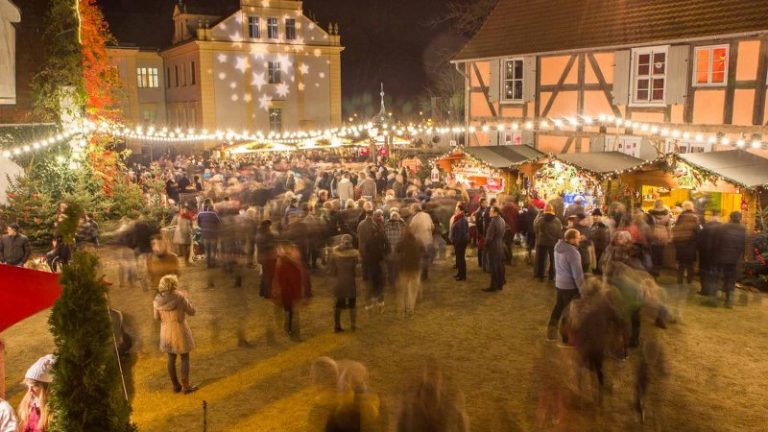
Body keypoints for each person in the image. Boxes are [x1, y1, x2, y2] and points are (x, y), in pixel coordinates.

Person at [153, 275, 198, 394]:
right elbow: (192, 311)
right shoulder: (180, 298)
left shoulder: (157, 300)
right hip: (180, 330)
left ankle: (176, 385)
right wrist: (187, 298)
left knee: (171, 358)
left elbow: (156, 317)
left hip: (166, 331)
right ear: (174, 285)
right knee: (184, 357)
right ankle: (186, 386)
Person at [547, 228, 584, 340]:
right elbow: (577, 274)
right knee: (569, 311)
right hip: (570, 286)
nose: (579, 240)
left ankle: (551, 332)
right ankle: (565, 336)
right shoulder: (573, 253)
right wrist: (582, 288)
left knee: (558, 307)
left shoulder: (558, 247)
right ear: (572, 239)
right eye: (578, 238)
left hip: (559, 283)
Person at [270, 244, 308, 340]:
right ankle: (293, 333)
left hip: (291, 292)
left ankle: (290, 330)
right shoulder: (284, 264)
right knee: (292, 313)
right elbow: (281, 281)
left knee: (291, 312)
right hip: (289, 293)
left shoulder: (289, 264)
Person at [715, 211, 747, 308]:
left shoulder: (723, 227)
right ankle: (729, 300)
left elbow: (717, 242)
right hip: (735, 258)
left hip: (722, 256)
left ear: (730, 217)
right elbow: (744, 244)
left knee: (719, 276)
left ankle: (714, 299)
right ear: (740, 218)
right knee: (731, 278)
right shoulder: (743, 229)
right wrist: (743, 256)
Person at [328, 235, 359, 332]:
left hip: (339, 282)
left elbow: (332, 271)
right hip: (350, 282)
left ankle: (337, 326)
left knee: (338, 304)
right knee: (352, 304)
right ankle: (353, 325)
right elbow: (356, 271)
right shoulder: (354, 255)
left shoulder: (335, 254)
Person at [18, 354, 55, 432]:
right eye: (28, 386)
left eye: (34, 386)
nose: (30, 390)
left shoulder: (55, 411)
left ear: (47, 388)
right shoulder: (30, 405)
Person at [672, 201, 700, 288]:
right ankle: (689, 281)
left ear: (684, 207)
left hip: (681, 244)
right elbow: (698, 231)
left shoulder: (680, 217)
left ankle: (679, 281)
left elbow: (675, 229)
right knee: (690, 264)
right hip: (691, 244)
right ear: (692, 207)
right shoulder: (695, 217)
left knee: (681, 264)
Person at [397, 230, 424, 316]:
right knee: (413, 291)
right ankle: (410, 309)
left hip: (404, 268)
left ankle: (403, 310)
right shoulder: (418, 242)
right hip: (415, 268)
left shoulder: (401, 243)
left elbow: (396, 252)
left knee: (404, 290)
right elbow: (423, 252)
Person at [698, 212, 722, 304]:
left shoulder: (705, 227)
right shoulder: (722, 228)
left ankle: (704, 289)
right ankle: (714, 291)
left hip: (705, 253)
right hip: (717, 254)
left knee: (704, 272)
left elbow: (699, 240)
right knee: (715, 273)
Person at [534, 205, 563, 282]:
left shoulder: (540, 220)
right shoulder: (557, 221)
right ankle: (551, 275)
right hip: (553, 243)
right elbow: (559, 232)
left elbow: (536, 229)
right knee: (553, 260)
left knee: (541, 259)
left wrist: (539, 236)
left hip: (541, 242)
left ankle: (541, 275)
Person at [482, 206, 507, 292]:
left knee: (493, 267)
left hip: (493, 246)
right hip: (500, 244)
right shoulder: (502, 220)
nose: (489, 212)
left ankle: (494, 285)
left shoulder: (493, 222)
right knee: (499, 266)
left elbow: (489, 237)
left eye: (491, 211)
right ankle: (500, 283)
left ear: (496, 212)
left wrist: (485, 244)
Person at [409, 203, 435, 281]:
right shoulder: (427, 215)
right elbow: (432, 227)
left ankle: (420, 275)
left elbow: (411, 231)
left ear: (414, 210)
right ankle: (425, 274)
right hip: (428, 239)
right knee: (426, 257)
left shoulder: (414, 219)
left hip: (419, 241)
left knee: (420, 258)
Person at [648, 200, 672, 277]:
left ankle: (653, 269)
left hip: (653, 233)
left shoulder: (650, 214)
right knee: (660, 253)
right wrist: (669, 236)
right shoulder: (667, 214)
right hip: (663, 234)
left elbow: (648, 225)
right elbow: (669, 227)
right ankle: (658, 269)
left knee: (653, 253)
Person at [255, 220, 278, 298]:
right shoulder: (268, 235)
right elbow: (270, 245)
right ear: (268, 226)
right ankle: (267, 293)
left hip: (263, 257)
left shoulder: (259, 234)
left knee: (265, 275)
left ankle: (262, 291)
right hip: (269, 257)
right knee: (269, 276)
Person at [196, 199, 221, 268]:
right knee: (213, 250)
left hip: (205, 234)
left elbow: (198, 224)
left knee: (207, 250)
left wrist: (204, 228)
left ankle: (208, 264)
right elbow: (219, 223)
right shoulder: (215, 213)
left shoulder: (200, 214)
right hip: (213, 234)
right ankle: (213, 263)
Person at [449, 203, 469, 281]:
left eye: (456, 210)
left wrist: (457, 241)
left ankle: (462, 275)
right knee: (459, 258)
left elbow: (461, 233)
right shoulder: (459, 218)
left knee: (461, 259)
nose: (455, 211)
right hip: (459, 241)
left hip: (460, 242)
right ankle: (459, 273)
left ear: (460, 210)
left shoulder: (462, 219)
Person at [588, 209, 611, 275]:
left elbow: (606, 240)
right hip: (593, 250)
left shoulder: (604, 227)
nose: (595, 217)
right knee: (594, 268)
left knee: (598, 269)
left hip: (599, 252)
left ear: (600, 217)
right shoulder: (592, 226)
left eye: (597, 216)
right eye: (594, 215)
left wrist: (600, 251)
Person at [472, 198, 488, 268]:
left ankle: (482, 261)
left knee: (482, 247)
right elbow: (478, 223)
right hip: (480, 233)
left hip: (483, 232)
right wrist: (480, 233)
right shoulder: (479, 212)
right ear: (481, 204)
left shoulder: (485, 210)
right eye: (484, 203)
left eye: (486, 203)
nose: (486, 204)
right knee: (480, 247)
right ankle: (480, 262)